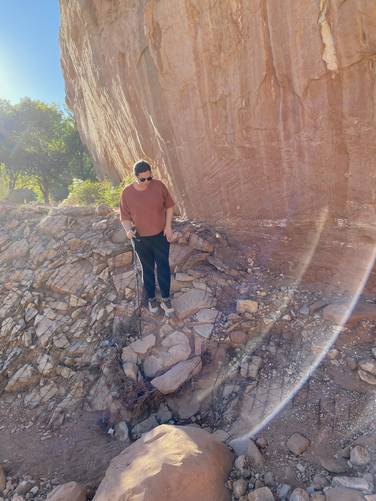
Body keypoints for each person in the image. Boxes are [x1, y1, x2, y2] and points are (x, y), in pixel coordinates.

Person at [119, 159, 175, 315]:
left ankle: (166, 298)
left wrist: (168, 226)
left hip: (160, 236)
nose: (146, 182)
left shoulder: (158, 186)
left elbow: (170, 206)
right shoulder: (127, 193)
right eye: (142, 179)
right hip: (140, 239)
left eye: (149, 178)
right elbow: (124, 217)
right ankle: (151, 299)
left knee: (163, 267)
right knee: (147, 269)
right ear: (135, 177)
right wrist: (128, 230)